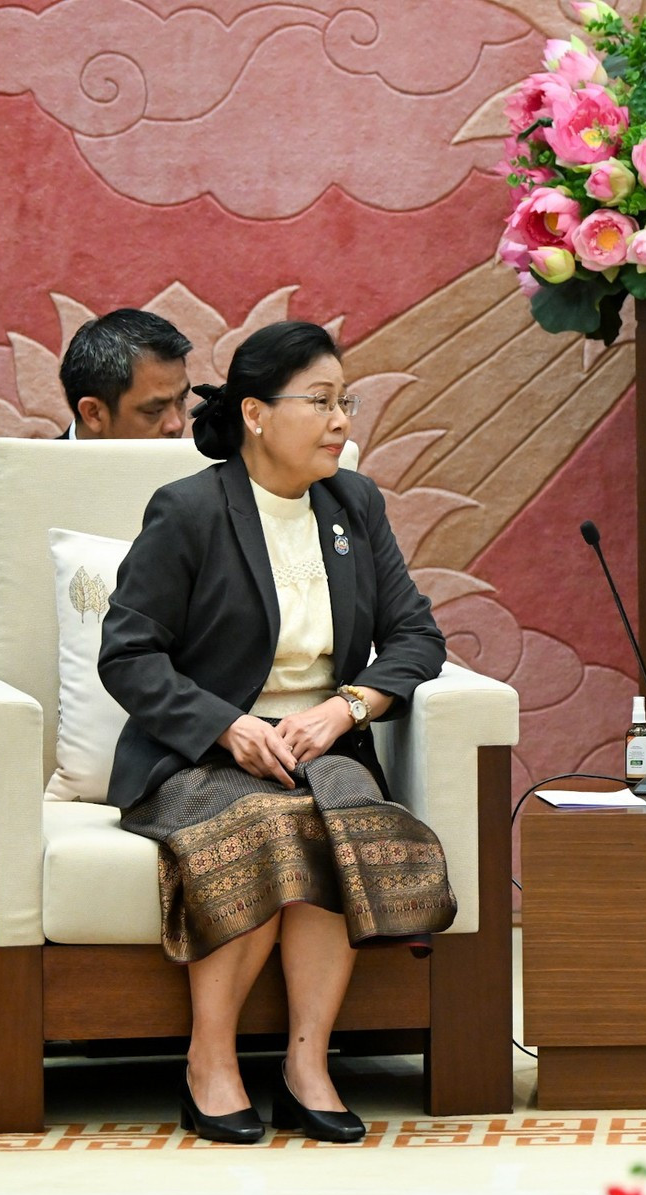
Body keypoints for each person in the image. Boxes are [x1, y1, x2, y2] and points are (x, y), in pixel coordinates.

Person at [98, 321, 454, 1145]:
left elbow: (416, 637)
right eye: (321, 403)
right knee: (269, 821)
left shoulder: (353, 503)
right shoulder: (189, 510)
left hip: (321, 744)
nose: (342, 423)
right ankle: (210, 1062)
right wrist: (224, 727)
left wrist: (348, 707)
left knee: (344, 818)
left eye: (346, 402)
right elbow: (128, 654)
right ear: (256, 414)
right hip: (202, 752)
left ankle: (306, 1064)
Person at [57, 309, 193, 439]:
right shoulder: (42, 463)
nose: (177, 424)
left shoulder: (200, 462)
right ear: (94, 414)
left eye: (181, 400)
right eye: (154, 410)